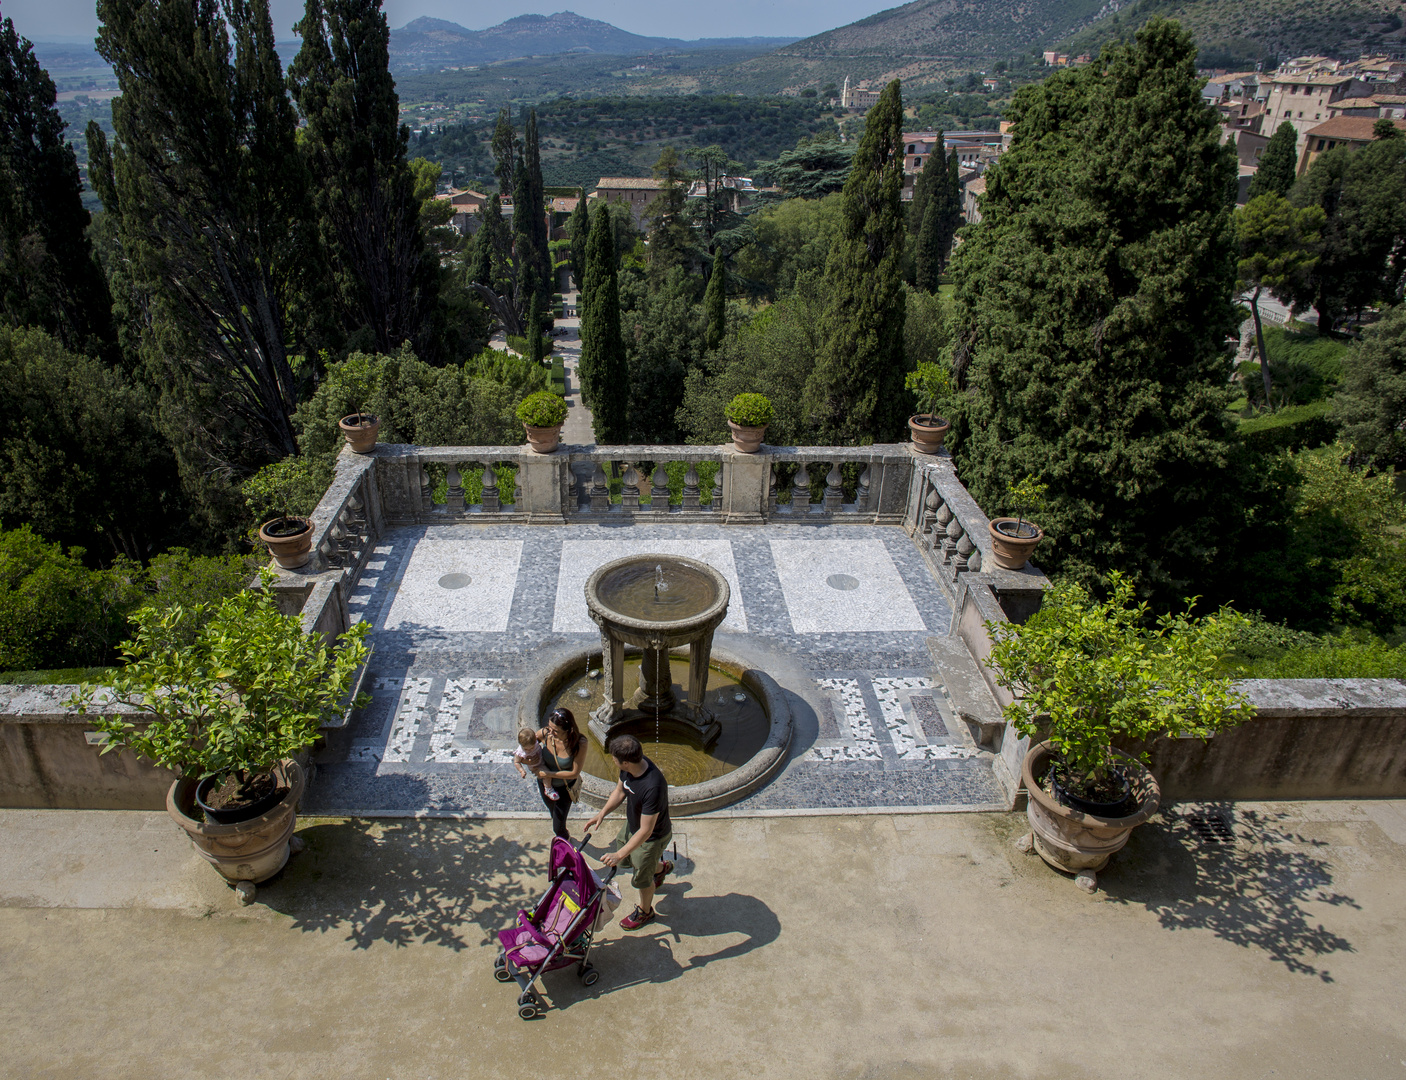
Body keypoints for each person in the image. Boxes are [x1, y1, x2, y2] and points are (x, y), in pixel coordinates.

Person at [584, 733, 674, 930]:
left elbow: (646, 831)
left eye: (614, 758)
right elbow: (620, 791)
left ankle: (646, 911)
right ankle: (661, 869)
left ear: (625, 762)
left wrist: (618, 855)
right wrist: (602, 813)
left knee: (642, 878)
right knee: (631, 860)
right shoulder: (630, 768)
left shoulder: (653, 786)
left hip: (652, 837)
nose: (612, 760)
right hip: (633, 826)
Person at [534, 708, 587, 840]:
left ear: (568, 730)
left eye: (555, 731)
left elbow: (574, 773)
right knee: (553, 814)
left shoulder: (579, 743)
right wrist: (525, 760)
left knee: (557, 827)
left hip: (564, 788)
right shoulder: (545, 733)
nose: (550, 732)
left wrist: (549, 774)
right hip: (545, 785)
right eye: (549, 727)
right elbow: (526, 745)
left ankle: (566, 844)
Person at [513, 728, 557, 801]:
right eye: (526, 749)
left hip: (542, 760)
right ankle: (548, 790)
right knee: (546, 774)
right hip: (536, 766)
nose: (530, 750)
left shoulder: (535, 741)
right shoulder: (520, 751)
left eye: (532, 748)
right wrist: (521, 770)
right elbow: (516, 762)